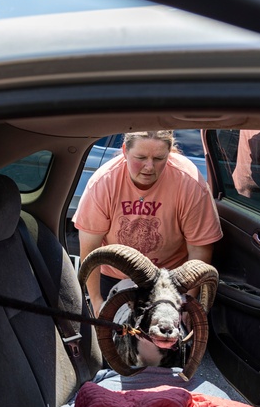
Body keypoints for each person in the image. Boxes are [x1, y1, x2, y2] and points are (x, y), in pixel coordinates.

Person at [74, 130, 222, 311]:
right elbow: (90, 247)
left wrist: (188, 303)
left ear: (169, 153)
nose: (149, 167)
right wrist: (96, 301)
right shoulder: (104, 182)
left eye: (159, 158)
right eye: (141, 157)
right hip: (115, 277)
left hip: (168, 279)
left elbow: (199, 248)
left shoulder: (189, 183)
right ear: (124, 151)